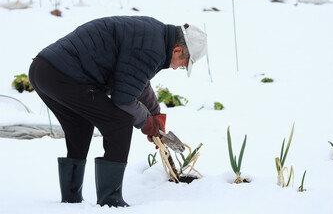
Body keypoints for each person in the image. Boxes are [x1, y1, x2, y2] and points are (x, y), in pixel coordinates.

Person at [28, 16, 208, 207]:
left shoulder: (154, 35)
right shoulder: (152, 47)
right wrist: (147, 124)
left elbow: (136, 79)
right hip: (64, 75)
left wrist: (156, 114)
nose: (177, 68)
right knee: (119, 123)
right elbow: (124, 100)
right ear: (178, 50)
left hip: (43, 71)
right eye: (182, 64)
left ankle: (71, 201)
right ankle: (110, 202)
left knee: (80, 125)